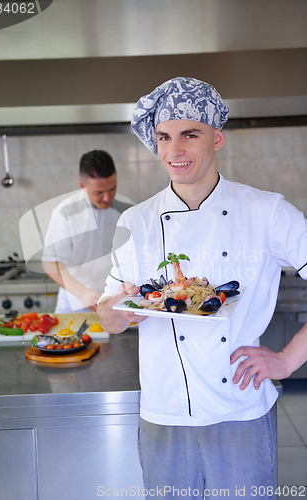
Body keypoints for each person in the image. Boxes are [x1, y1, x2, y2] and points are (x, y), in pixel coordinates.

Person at [97, 78, 307, 499]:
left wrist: (286, 361)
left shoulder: (265, 211)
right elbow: (108, 313)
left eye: (189, 135)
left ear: (217, 138)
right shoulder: (136, 221)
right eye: (164, 137)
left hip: (240, 409)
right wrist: (116, 312)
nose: (175, 151)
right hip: (164, 414)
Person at [42, 149, 133, 313]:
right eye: (98, 192)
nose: (107, 198)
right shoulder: (65, 213)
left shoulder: (129, 211)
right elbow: (50, 262)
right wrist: (82, 293)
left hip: (116, 303)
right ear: (82, 186)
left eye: (112, 189)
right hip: (74, 303)